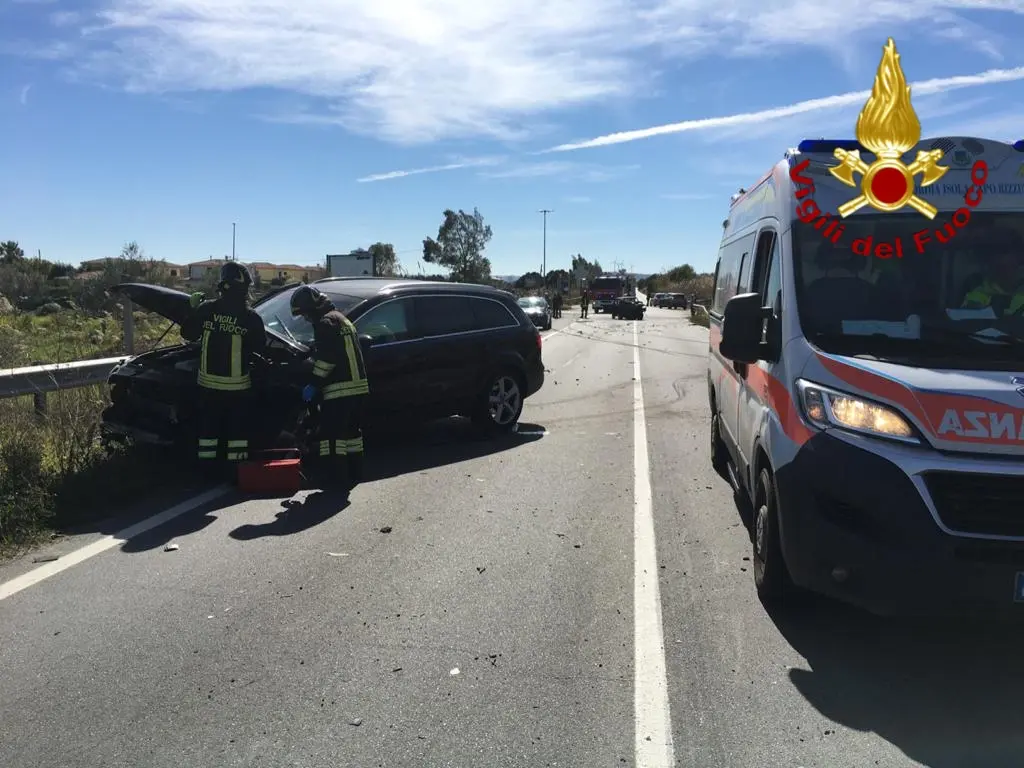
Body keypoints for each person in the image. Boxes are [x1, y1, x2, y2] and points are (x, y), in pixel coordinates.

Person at [181, 262, 265, 474]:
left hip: (208, 388)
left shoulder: (207, 309)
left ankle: (206, 473)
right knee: (237, 434)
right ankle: (235, 473)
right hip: (238, 389)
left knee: (208, 433)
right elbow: (261, 347)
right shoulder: (251, 317)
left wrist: (192, 309)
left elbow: (188, 334)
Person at [290, 284, 369, 490]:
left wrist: (313, 384)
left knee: (331, 438)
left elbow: (327, 360)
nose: (306, 319)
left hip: (340, 389)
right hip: (358, 387)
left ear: (312, 309)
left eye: (305, 315)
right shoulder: (340, 319)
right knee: (352, 434)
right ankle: (354, 473)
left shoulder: (324, 323)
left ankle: (335, 479)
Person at [961, 232, 1024, 316]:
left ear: (1019, 256)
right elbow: (964, 322)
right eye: (993, 254)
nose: (999, 259)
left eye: (1004, 252)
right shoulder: (976, 295)